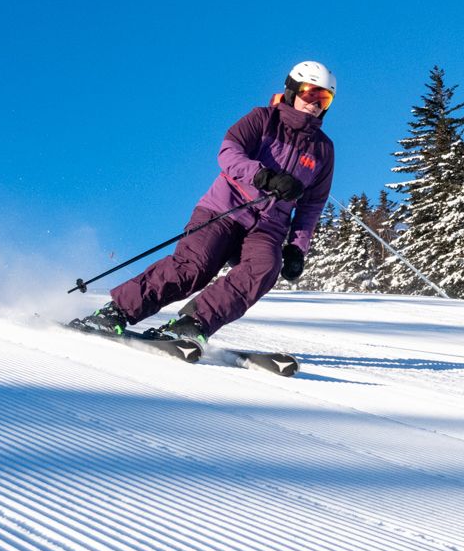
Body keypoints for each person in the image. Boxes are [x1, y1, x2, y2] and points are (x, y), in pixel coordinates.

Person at [87, 60, 336, 343]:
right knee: (194, 267)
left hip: (269, 227)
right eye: (308, 93)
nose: (314, 103)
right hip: (225, 209)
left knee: (264, 268)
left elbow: (312, 205)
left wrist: (296, 248)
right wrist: (263, 177)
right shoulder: (263, 119)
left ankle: (192, 323)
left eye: (324, 98)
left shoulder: (323, 150)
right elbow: (229, 153)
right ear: (292, 90)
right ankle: (115, 312)